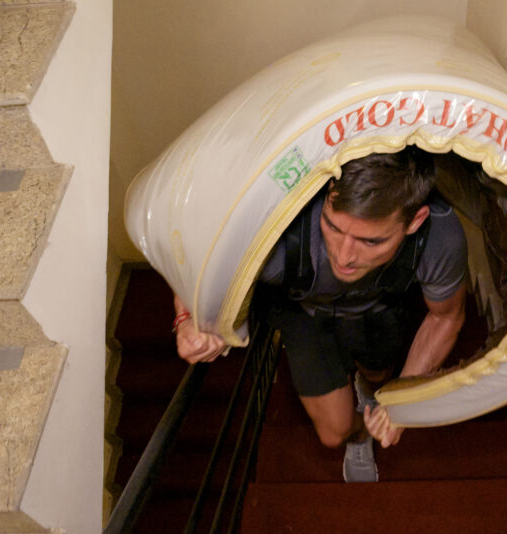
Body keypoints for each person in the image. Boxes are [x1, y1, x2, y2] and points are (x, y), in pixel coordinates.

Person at [173, 147, 468, 482]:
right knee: (334, 431)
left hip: (376, 306)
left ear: (415, 221)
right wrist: (188, 319)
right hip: (303, 313)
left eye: (370, 241)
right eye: (333, 226)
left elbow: (445, 317)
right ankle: (359, 436)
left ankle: (369, 395)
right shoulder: (274, 228)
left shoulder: (440, 237)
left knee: (379, 375)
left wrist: (402, 403)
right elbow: (197, 259)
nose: (344, 256)